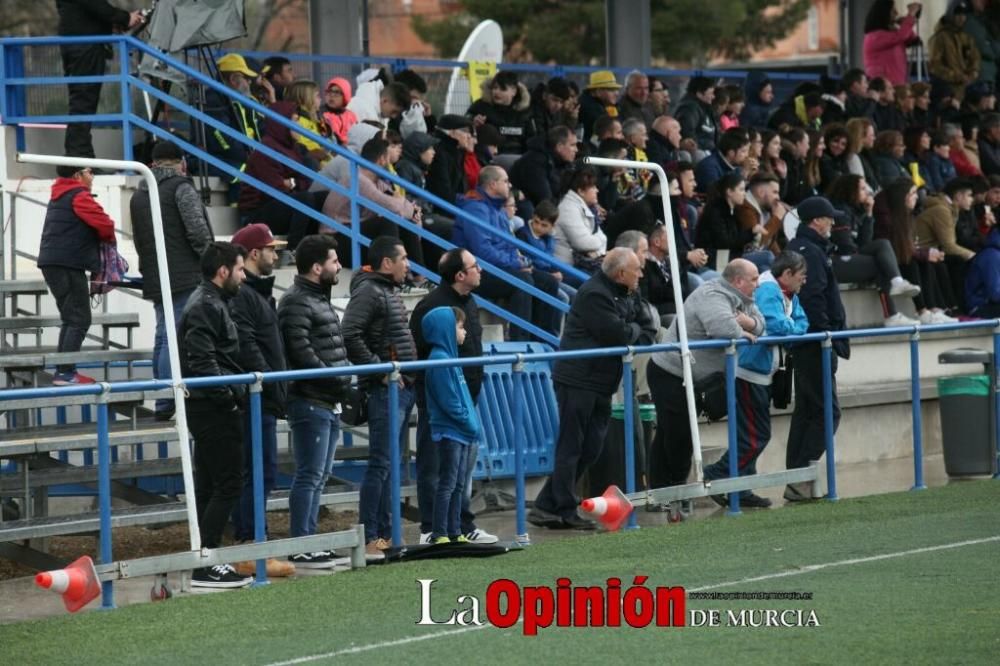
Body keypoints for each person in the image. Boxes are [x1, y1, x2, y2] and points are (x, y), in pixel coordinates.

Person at [529, 248, 657, 529]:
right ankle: (563, 507)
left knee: (592, 447)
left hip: (601, 381)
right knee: (572, 445)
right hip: (578, 379)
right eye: (637, 269)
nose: (641, 274)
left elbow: (647, 330)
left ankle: (545, 505)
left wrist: (631, 330)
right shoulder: (594, 294)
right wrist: (632, 330)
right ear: (621, 273)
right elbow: (618, 334)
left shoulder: (628, 292)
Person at [646, 259, 765, 504]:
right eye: (754, 279)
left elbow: (761, 325)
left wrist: (746, 323)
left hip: (692, 376)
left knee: (672, 433)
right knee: (679, 435)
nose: (758, 284)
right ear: (738, 281)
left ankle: (664, 492)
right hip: (671, 372)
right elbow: (723, 328)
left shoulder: (743, 298)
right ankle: (675, 493)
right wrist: (740, 328)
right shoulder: (711, 294)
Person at [705, 252, 810, 508]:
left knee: (753, 434)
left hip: (763, 373)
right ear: (786, 275)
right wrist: (789, 327)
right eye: (801, 276)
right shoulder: (768, 290)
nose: (804, 282)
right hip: (749, 373)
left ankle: (741, 487)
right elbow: (775, 328)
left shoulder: (787, 294)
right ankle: (718, 474)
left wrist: (789, 328)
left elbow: (803, 323)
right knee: (755, 436)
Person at [410, 249, 498, 545]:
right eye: (475, 266)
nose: (480, 270)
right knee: (436, 468)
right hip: (440, 405)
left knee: (462, 471)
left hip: (466, 396)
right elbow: (424, 356)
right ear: (460, 274)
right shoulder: (432, 307)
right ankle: (431, 528)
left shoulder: (469, 302)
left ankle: (460, 524)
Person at [178, 241, 253, 589]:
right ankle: (207, 560)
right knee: (228, 482)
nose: (244, 275)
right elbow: (204, 361)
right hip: (212, 407)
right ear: (223, 271)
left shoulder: (210, 302)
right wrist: (229, 399)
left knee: (213, 483)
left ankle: (206, 559)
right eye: (240, 269)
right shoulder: (206, 305)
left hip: (209, 403)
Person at [277, 234, 352, 569]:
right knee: (309, 474)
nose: (339, 267)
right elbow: (302, 354)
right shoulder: (295, 302)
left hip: (327, 398)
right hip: (310, 400)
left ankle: (312, 541)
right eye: (335, 261)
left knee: (319, 475)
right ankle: (302, 544)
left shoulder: (317, 299)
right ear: (317, 266)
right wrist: (338, 380)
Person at [341, 236, 418, 560]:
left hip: (398, 389)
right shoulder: (371, 291)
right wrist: (381, 370)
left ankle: (385, 535)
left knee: (391, 465)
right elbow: (349, 333)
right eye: (403, 259)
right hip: (385, 390)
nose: (408, 265)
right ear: (387, 263)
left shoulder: (383, 290)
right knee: (382, 464)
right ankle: (371, 536)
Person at [225, 224, 293, 577]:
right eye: (270, 249)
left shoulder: (259, 293)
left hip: (263, 394)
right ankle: (250, 545)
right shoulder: (245, 295)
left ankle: (253, 543)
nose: (275, 254)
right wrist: (268, 381)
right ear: (253, 254)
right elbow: (249, 345)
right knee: (257, 472)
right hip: (255, 396)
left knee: (263, 472)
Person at [130, 141, 214, 417]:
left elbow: (141, 241)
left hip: (155, 275)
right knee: (173, 335)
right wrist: (212, 263)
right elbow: (198, 232)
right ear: (181, 162)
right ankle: (168, 400)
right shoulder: (181, 188)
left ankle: (162, 397)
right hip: (185, 275)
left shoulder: (139, 195)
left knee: (162, 334)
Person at [784, 197, 849, 502]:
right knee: (826, 413)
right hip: (814, 342)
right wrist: (827, 338)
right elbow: (814, 299)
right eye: (828, 218)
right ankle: (798, 478)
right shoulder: (809, 251)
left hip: (808, 341)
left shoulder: (801, 248)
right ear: (815, 221)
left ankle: (796, 479)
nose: (832, 224)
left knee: (808, 412)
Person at [455, 165, 561, 339]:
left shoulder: (498, 209)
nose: (509, 185)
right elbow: (482, 252)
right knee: (523, 281)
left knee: (548, 282)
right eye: (505, 181)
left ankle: (542, 342)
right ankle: (521, 344)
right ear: (493, 184)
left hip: (500, 266)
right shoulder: (476, 208)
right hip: (476, 270)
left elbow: (509, 246)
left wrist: (520, 262)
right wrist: (516, 263)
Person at [38, 163, 117, 385]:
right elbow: (105, 225)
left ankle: (65, 370)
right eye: (89, 172)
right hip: (68, 264)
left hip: (54, 262)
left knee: (71, 318)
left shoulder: (59, 194)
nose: (92, 176)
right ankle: (65, 372)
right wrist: (109, 243)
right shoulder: (78, 195)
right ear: (78, 175)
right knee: (80, 319)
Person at [825, 174, 920, 327]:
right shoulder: (840, 212)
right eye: (862, 188)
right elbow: (845, 246)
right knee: (881, 253)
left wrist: (869, 214)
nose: (867, 192)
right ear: (851, 190)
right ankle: (893, 303)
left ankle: (893, 308)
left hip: (849, 256)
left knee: (882, 248)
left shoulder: (854, 210)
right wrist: (860, 251)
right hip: (836, 261)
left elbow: (865, 242)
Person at [420, 306, 480, 544]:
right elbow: (449, 401)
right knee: (447, 483)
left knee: (457, 484)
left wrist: (469, 424)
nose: (463, 331)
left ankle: (455, 530)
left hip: (461, 431)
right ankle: (440, 532)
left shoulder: (450, 358)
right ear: (446, 329)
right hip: (450, 431)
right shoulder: (439, 360)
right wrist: (468, 421)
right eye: (459, 326)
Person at [321, 137, 423, 269]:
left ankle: (419, 278)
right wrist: (408, 208)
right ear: (381, 159)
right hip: (335, 242)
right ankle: (393, 273)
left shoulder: (378, 182)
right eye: (388, 159)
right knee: (388, 221)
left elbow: (399, 205)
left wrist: (412, 212)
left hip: (352, 234)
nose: (390, 165)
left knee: (400, 221)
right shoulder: (358, 179)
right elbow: (392, 205)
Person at [57, 1, 142, 158]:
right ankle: (79, 157)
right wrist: (125, 18)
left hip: (77, 45)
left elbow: (85, 12)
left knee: (82, 102)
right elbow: (96, 6)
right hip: (85, 47)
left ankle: (81, 156)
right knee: (83, 102)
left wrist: (112, 25)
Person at [238, 101, 322, 249]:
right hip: (256, 214)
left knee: (322, 198)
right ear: (280, 123)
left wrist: (292, 183)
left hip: (280, 205)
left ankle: (318, 247)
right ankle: (294, 249)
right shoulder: (265, 150)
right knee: (304, 199)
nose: (300, 126)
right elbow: (275, 190)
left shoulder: (292, 148)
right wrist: (295, 185)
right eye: (295, 121)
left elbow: (306, 181)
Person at [510, 125, 579, 206]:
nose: (576, 150)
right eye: (572, 145)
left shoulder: (564, 163)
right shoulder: (534, 163)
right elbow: (545, 201)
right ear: (559, 147)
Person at [467, 71, 534, 155]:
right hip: (489, 157)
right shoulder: (481, 106)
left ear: (514, 91)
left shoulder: (524, 111)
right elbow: (465, 123)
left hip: (518, 157)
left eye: (502, 89)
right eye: (495, 88)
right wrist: (473, 122)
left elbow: (531, 139)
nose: (496, 92)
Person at [928, 4, 981, 104]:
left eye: (964, 15)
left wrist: (974, 71)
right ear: (950, 15)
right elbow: (935, 65)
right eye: (958, 15)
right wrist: (957, 76)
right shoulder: (940, 37)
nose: (962, 18)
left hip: (965, 90)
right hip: (947, 91)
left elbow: (975, 58)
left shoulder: (966, 37)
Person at [863, 0, 921, 86]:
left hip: (896, 82)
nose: (896, 13)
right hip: (884, 85)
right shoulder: (874, 37)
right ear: (884, 13)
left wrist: (903, 24)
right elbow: (901, 36)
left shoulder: (892, 34)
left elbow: (912, 39)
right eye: (893, 10)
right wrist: (910, 15)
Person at [674, 76, 718, 156]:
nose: (714, 97)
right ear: (699, 94)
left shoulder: (705, 108)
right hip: (700, 152)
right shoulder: (689, 109)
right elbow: (688, 134)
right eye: (711, 93)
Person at [695, 128, 749, 194]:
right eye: (743, 151)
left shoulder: (735, 166)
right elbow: (721, 194)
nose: (747, 155)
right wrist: (743, 174)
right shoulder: (708, 167)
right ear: (731, 153)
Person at [580, 71, 622, 143]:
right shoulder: (592, 110)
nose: (617, 93)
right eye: (611, 90)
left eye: (617, 90)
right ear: (598, 92)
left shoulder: (595, 104)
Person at [321, 77, 358, 145]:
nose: (332, 95)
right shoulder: (321, 114)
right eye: (329, 91)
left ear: (345, 96)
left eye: (337, 92)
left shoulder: (351, 116)